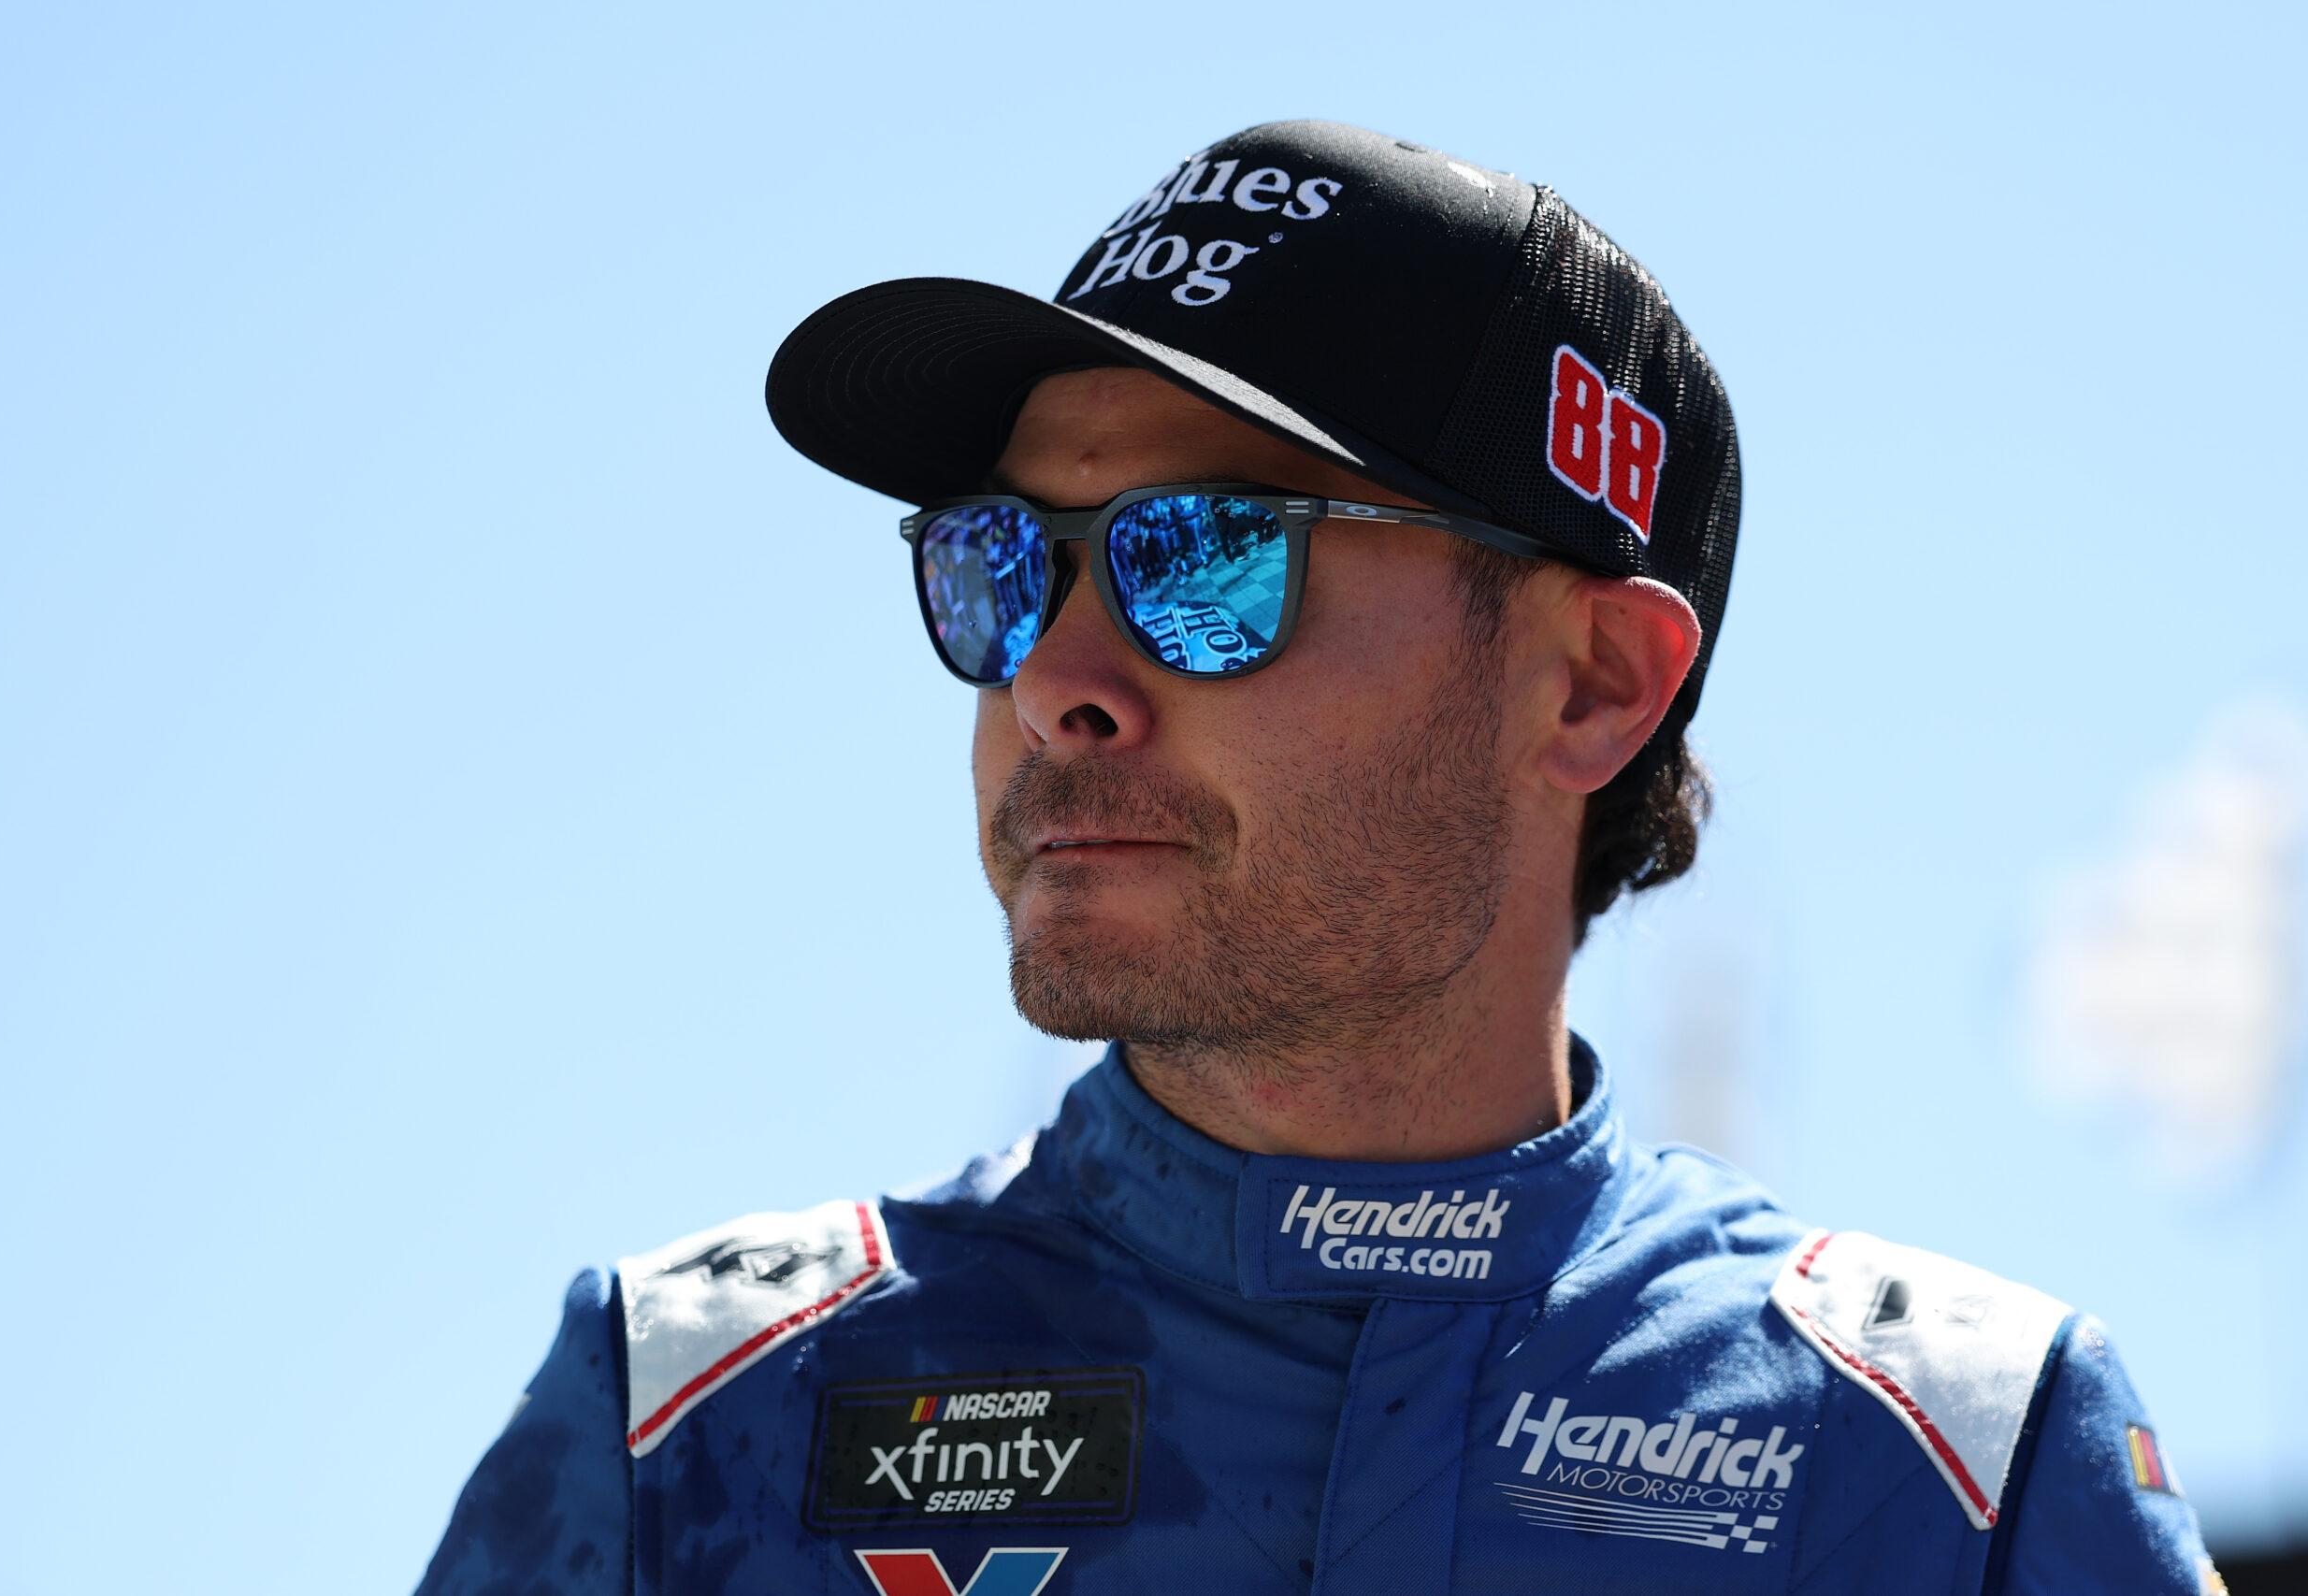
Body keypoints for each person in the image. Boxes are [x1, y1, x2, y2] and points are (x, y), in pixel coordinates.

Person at [414, 122, 2216, 1596]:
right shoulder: (684, 1419)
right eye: (998, 562)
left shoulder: (1959, 1463)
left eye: (1207, 555)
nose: (1054, 683)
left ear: (1590, 684)